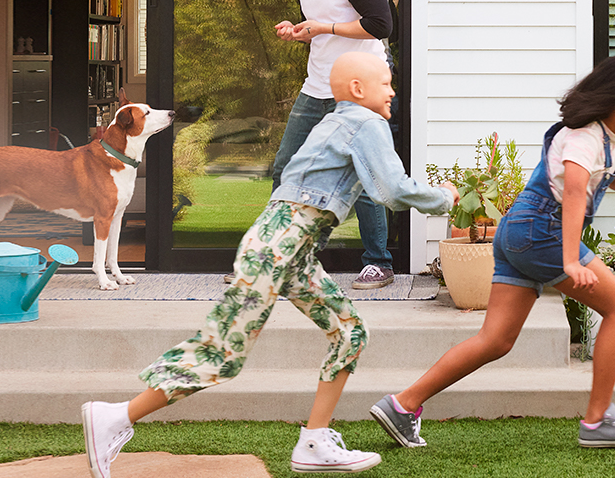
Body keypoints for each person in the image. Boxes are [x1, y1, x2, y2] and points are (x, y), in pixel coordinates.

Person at [82, 53, 458, 478]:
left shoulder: (334, 123)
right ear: (357, 89)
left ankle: (315, 440)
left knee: (350, 331)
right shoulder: (365, 123)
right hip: (277, 248)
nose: (392, 90)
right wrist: (444, 197)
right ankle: (115, 417)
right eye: (386, 82)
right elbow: (391, 189)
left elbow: (366, 187)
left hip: (288, 248)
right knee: (223, 353)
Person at [368, 55, 615, 450]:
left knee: (496, 340)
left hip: (518, 230)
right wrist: (570, 260)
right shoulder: (583, 137)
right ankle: (598, 421)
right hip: (542, 229)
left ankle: (402, 405)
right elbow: (576, 191)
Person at [260, 0, 399, 290]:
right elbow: (327, 26)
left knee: (365, 172)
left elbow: (380, 24)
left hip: (361, 84)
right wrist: (303, 31)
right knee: (287, 168)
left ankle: (379, 263)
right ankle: (279, 258)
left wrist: (322, 28)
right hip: (319, 82)